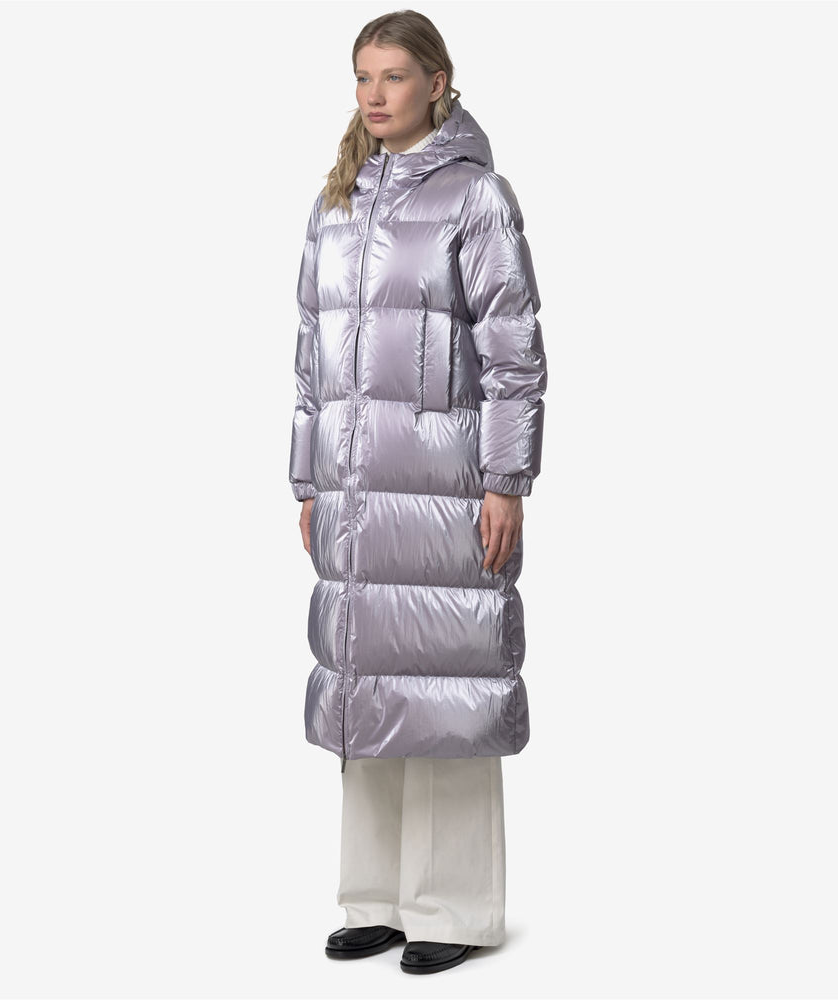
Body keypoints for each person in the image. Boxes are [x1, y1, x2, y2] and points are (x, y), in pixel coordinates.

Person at [288, 10, 547, 976]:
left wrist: (506, 480)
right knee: (369, 682)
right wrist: (307, 476)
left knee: (448, 684)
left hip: (446, 482)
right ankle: (376, 897)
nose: (374, 94)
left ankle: (455, 906)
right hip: (354, 486)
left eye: (393, 76)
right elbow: (310, 354)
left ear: (438, 82)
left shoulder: (477, 198)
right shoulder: (337, 199)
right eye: (362, 76)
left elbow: (514, 352)